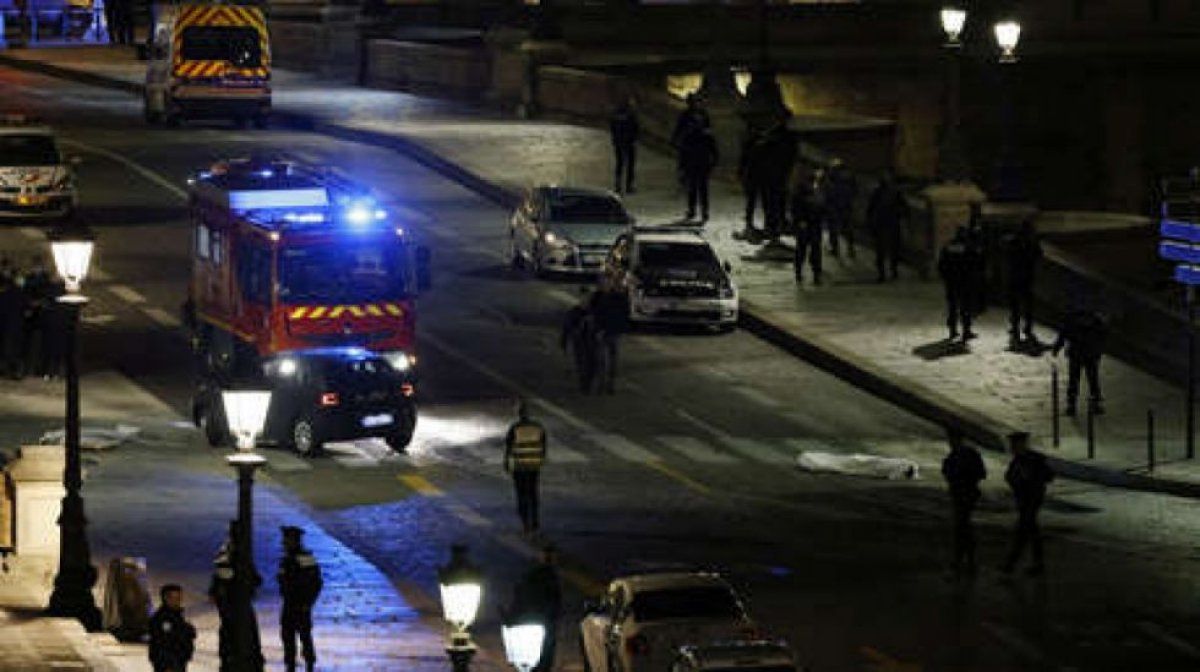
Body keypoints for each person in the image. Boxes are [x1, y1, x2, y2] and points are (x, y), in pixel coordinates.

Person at [1001, 432, 1054, 576]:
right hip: (1024, 500)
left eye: (1015, 445)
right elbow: (1009, 477)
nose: (1013, 448)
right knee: (1031, 531)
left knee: (1023, 531)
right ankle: (1037, 563)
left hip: (1032, 499)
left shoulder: (1034, 459)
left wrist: (1033, 480)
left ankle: (1010, 565)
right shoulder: (1017, 461)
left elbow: (1048, 475)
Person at [510, 545, 562, 672]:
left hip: (537, 622)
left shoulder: (534, 576)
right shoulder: (546, 577)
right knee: (543, 657)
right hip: (540, 623)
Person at [941, 430, 986, 575]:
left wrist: (964, 478)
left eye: (953, 440)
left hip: (966, 494)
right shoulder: (954, 456)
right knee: (962, 527)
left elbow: (981, 473)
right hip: (960, 494)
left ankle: (963, 559)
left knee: (962, 527)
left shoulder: (966, 455)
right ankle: (965, 559)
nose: (951, 443)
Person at [278, 526, 323, 672]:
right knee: (288, 635)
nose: (283, 543)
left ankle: (309, 663)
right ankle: (290, 664)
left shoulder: (304, 558)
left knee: (304, 635)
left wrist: (308, 602)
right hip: (289, 602)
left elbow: (316, 583)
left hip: (300, 603)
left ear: (294, 541)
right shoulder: (287, 558)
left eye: (286, 540)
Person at [1052, 309, 1107, 416]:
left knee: (1075, 380)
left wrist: (1057, 347)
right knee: (1092, 379)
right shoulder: (1095, 321)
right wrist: (1099, 351)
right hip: (1089, 353)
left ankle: (1072, 405)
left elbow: (1063, 334)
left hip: (1077, 353)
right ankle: (1094, 403)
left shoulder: (1072, 320)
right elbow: (1102, 337)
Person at [504, 400, 547, 535]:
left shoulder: (515, 428)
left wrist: (506, 463)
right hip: (534, 465)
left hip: (520, 466)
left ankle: (525, 523)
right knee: (533, 493)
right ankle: (535, 521)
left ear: (518, 414)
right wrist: (540, 459)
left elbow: (509, 448)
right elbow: (544, 445)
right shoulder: (538, 427)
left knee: (521, 494)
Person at [759, 119, 798, 242]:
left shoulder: (769, 144)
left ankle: (772, 228)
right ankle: (777, 227)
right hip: (779, 177)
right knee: (778, 203)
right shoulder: (789, 142)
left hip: (772, 178)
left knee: (771, 204)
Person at [866, 172, 908, 282]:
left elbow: (870, 209)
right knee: (889, 249)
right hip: (888, 223)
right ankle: (889, 272)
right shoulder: (892, 192)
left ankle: (886, 272)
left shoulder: (880, 192)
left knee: (885, 249)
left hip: (886, 223)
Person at [1006, 219, 1043, 341]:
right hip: (1027, 277)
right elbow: (1039, 255)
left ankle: (1016, 328)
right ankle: (1027, 328)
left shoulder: (1013, 242)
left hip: (1015, 277)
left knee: (1015, 306)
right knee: (1027, 306)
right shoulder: (1032, 243)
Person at [938, 227, 976, 342]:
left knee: (952, 307)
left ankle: (953, 330)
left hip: (951, 282)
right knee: (965, 307)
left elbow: (941, 264)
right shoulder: (968, 247)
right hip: (964, 282)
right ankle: (966, 330)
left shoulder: (948, 246)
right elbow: (973, 264)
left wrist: (945, 277)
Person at [148, 584, 196, 672]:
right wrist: (166, 666)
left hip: (179, 662)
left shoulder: (177, 616)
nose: (178, 600)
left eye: (179, 597)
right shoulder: (161, 619)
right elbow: (161, 644)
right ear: (166, 598)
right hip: (169, 666)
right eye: (174, 597)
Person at [588, 287, 628, 394]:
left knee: (602, 359)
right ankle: (608, 384)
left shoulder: (602, 296)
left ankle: (603, 384)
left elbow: (594, 312)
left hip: (606, 330)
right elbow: (625, 314)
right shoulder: (621, 297)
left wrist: (598, 329)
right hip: (612, 330)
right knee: (610, 358)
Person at [790, 170, 823, 285]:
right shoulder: (814, 193)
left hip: (808, 226)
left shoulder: (810, 193)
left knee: (805, 250)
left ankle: (808, 273)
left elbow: (795, 210)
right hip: (809, 226)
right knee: (809, 251)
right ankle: (812, 274)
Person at [680, 125, 718, 222]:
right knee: (703, 190)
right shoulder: (707, 136)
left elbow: (683, 153)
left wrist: (682, 167)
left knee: (693, 190)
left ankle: (692, 211)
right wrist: (713, 163)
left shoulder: (688, 136)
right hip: (703, 165)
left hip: (692, 165)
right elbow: (714, 151)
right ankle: (704, 212)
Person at [560, 291, 597, 393]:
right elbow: (567, 327)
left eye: (587, 299)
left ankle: (588, 381)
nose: (585, 302)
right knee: (582, 364)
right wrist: (564, 341)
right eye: (584, 299)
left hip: (593, 342)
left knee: (593, 364)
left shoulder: (594, 312)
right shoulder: (574, 312)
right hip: (580, 342)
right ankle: (584, 384)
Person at [737, 127, 768, 242]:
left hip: (753, 177)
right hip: (760, 177)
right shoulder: (763, 145)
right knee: (764, 202)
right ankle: (766, 225)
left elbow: (743, 162)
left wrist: (741, 174)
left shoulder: (750, 146)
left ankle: (750, 224)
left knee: (752, 202)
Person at [825, 161, 857, 258]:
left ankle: (835, 249)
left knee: (833, 228)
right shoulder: (850, 178)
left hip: (835, 206)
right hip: (846, 206)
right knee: (847, 228)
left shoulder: (834, 179)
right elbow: (854, 191)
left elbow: (829, 192)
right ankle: (850, 249)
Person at [609, 97, 639, 194]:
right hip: (629, 142)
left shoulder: (616, 115)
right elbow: (635, 128)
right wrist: (635, 139)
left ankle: (618, 185)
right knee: (630, 164)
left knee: (620, 163)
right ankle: (629, 186)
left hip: (619, 142)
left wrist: (614, 139)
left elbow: (612, 128)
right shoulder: (631, 116)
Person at [0, 276, 25, 379]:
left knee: (8, 348)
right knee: (14, 349)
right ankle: (13, 371)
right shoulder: (20, 294)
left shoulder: (5, 294)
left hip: (7, 325)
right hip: (17, 325)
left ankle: (8, 370)